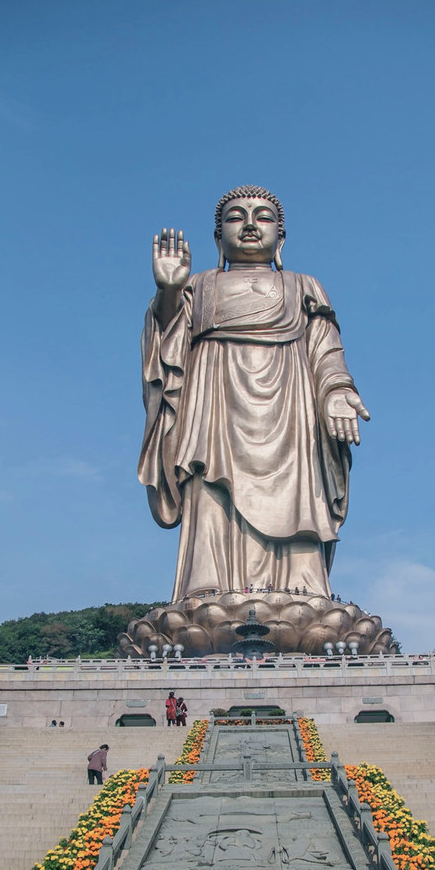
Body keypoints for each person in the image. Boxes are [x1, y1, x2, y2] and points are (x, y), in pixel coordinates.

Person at [138, 187, 370, 601]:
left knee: (299, 492)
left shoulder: (303, 286)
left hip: (291, 411)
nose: (248, 225)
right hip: (214, 404)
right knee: (208, 481)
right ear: (218, 239)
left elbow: (326, 350)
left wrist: (337, 390)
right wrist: (169, 293)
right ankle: (207, 588)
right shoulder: (199, 285)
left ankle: (302, 591)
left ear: (281, 237)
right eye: (235, 218)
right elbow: (167, 350)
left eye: (262, 217)